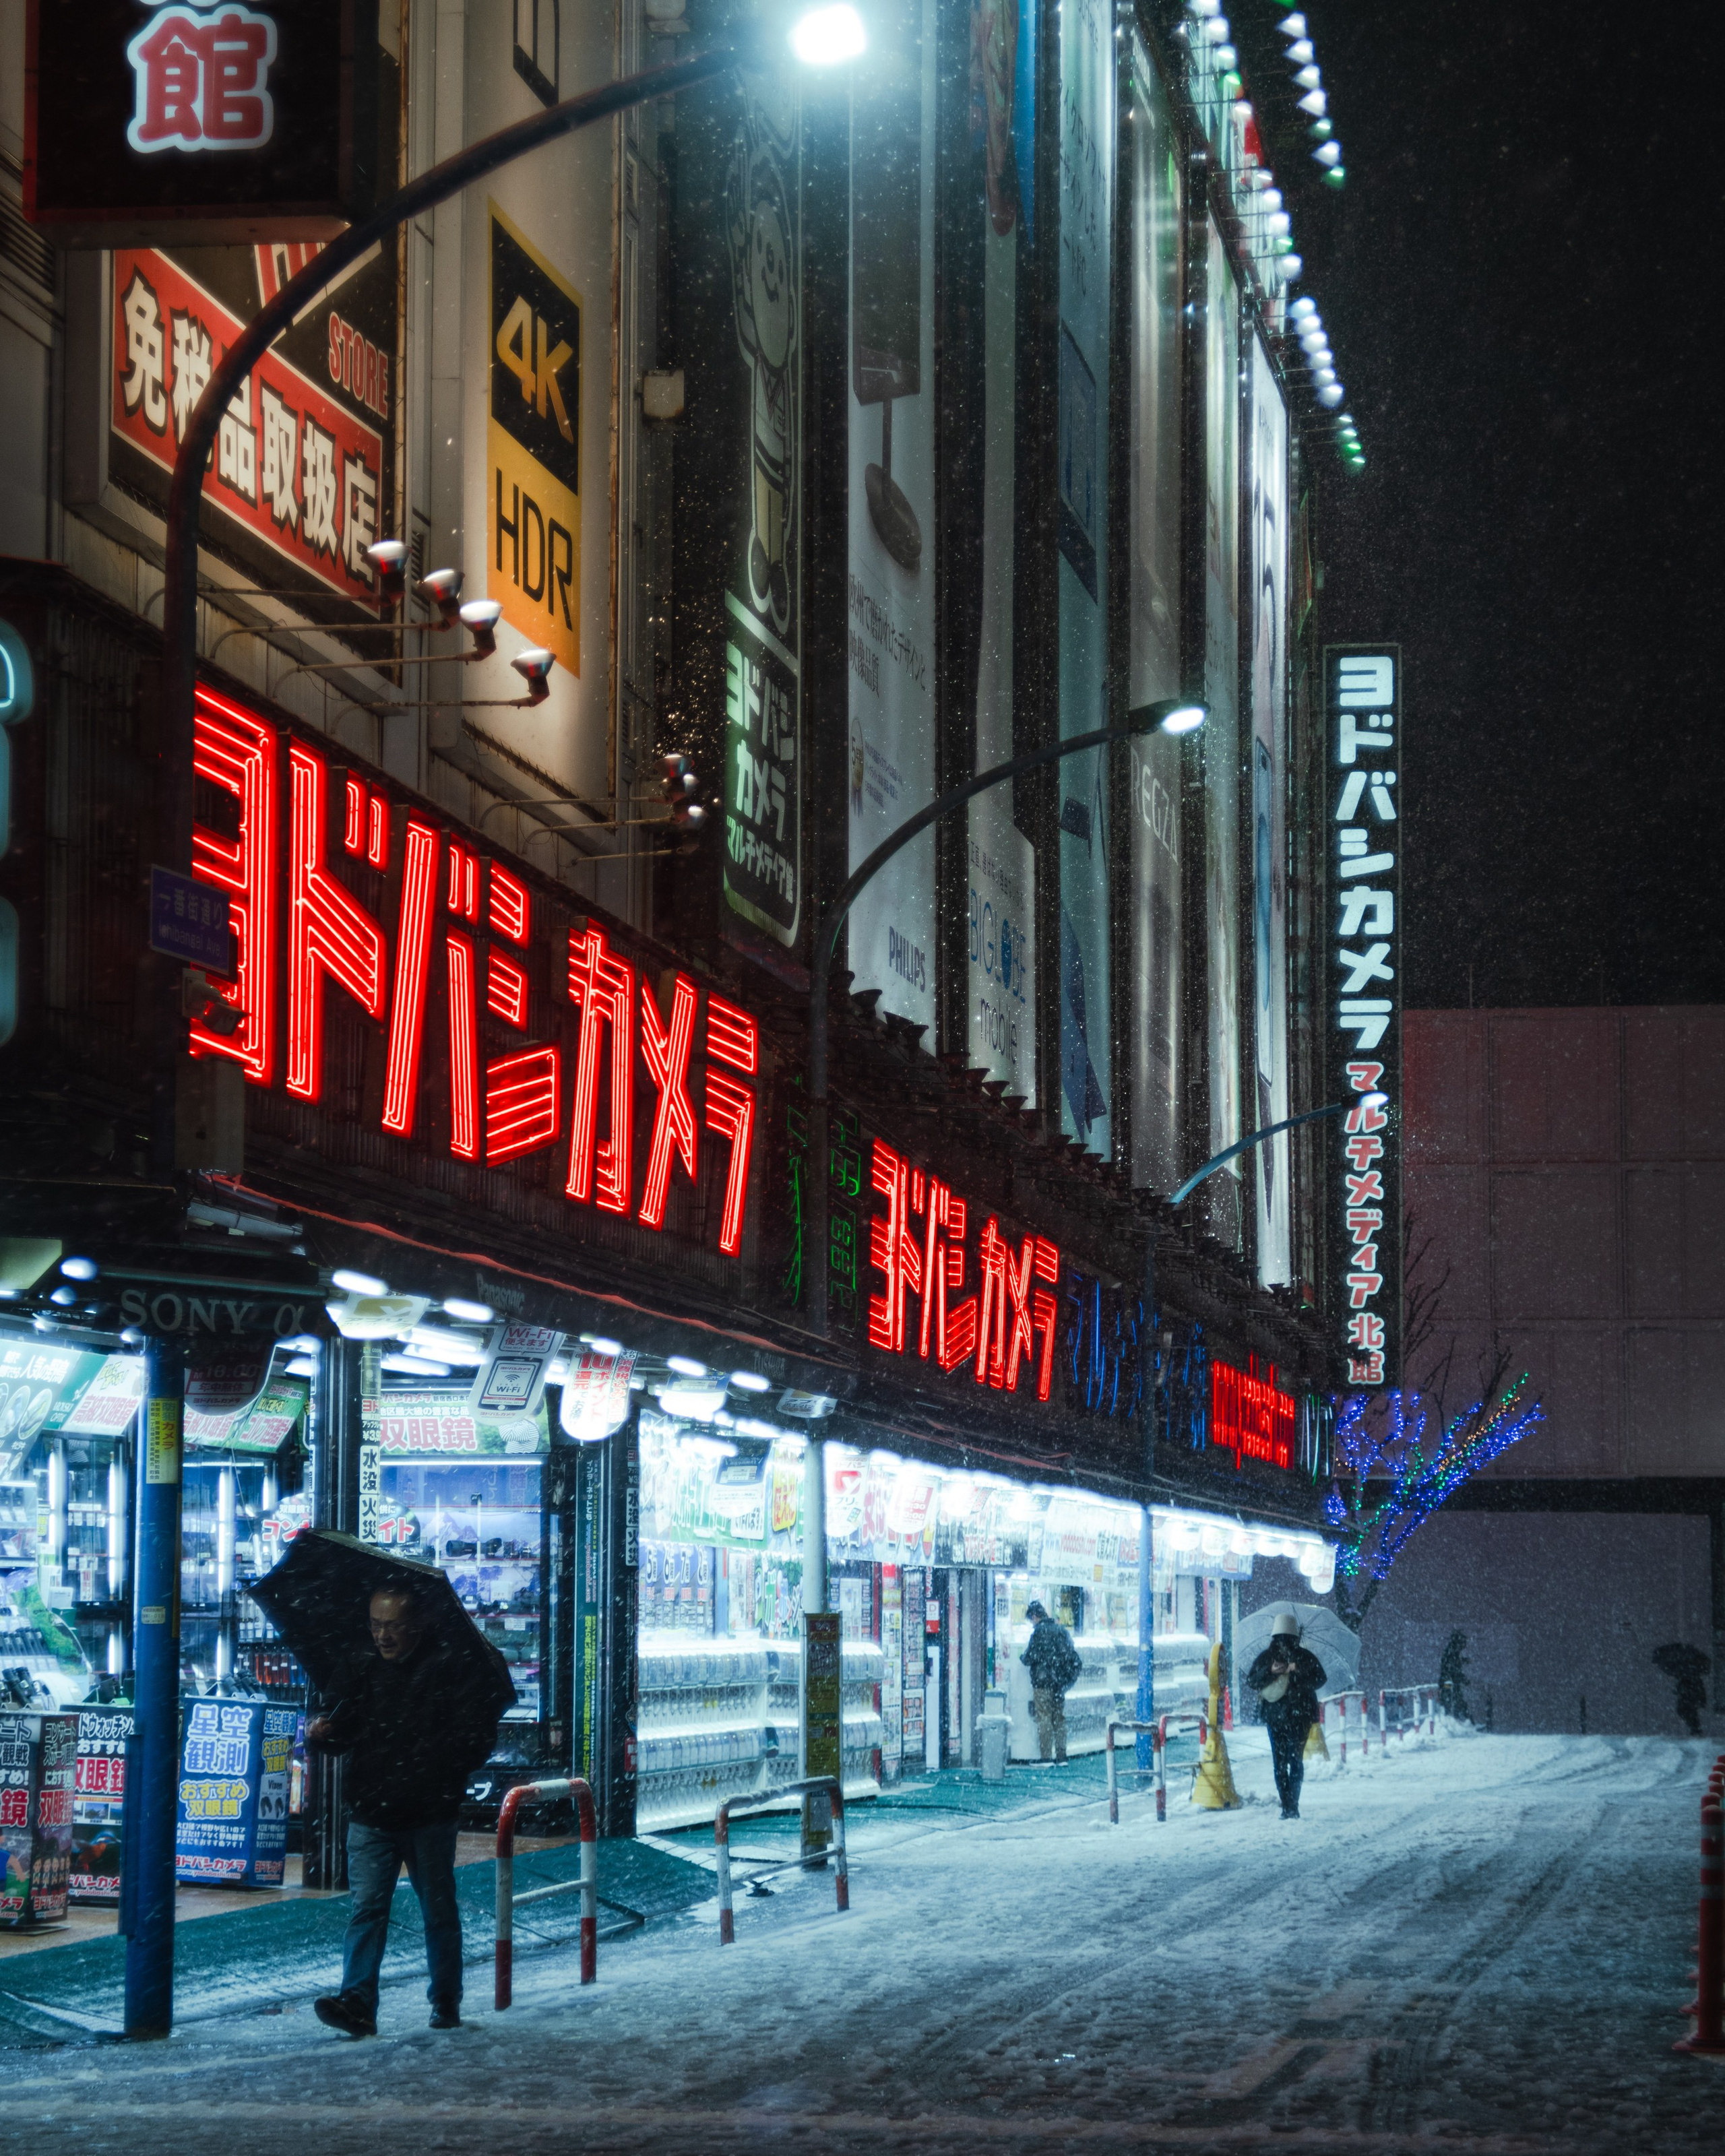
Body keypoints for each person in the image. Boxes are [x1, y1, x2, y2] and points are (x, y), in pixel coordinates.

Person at [308, 1585, 507, 2035]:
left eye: (393, 1625)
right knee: (367, 1909)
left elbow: (476, 1740)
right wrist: (322, 1732)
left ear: (416, 1625)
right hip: (371, 1810)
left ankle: (446, 2000)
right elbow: (339, 1726)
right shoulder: (359, 1666)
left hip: (428, 1813)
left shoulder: (450, 1668)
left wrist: (435, 1762)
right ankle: (358, 2001)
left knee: (437, 1910)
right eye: (375, 1625)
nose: (383, 1635)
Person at [1247, 1612, 1326, 1820]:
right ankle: (1292, 1805)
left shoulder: (1267, 1657)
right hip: (1300, 1717)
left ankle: (1288, 1806)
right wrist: (1276, 1672)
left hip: (1277, 1718)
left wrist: (1290, 1670)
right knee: (1294, 1761)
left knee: (1280, 1763)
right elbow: (1320, 1679)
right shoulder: (1304, 1656)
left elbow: (1251, 1681)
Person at [1020, 1599, 1083, 1763]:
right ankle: (1062, 1756)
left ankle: (1046, 1757)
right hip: (1059, 1684)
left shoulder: (1039, 1633)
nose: (1032, 1624)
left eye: (1031, 1620)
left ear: (1035, 1617)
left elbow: (1029, 1658)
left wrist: (1022, 1657)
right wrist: (1065, 1680)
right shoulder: (1061, 1630)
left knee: (1044, 1718)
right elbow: (1073, 1658)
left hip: (1042, 1684)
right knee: (1059, 1718)